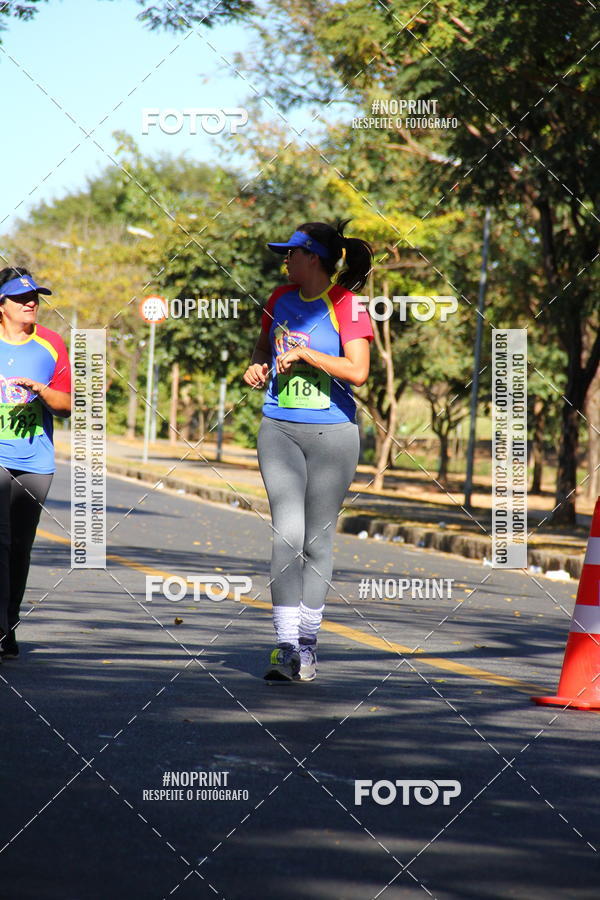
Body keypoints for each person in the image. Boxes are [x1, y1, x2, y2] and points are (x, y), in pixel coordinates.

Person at [243, 220, 373, 682]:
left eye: (292, 254)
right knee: (287, 535)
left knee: (316, 541)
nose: (285, 261)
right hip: (279, 428)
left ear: (313, 258)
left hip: (333, 435)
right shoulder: (278, 300)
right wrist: (256, 368)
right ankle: (283, 645)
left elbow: (358, 371)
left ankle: (309, 643)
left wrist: (307, 355)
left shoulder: (347, 307)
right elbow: (263, 347)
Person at [0, 267, 72, 661]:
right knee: (0, 542)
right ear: (1, 306)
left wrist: (42, 390)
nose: (31, 304)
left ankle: (8, 628)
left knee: (20, 549)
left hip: (35, 460)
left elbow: (65, 406)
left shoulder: (51, 343)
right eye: (21, 298)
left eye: (36, 298)